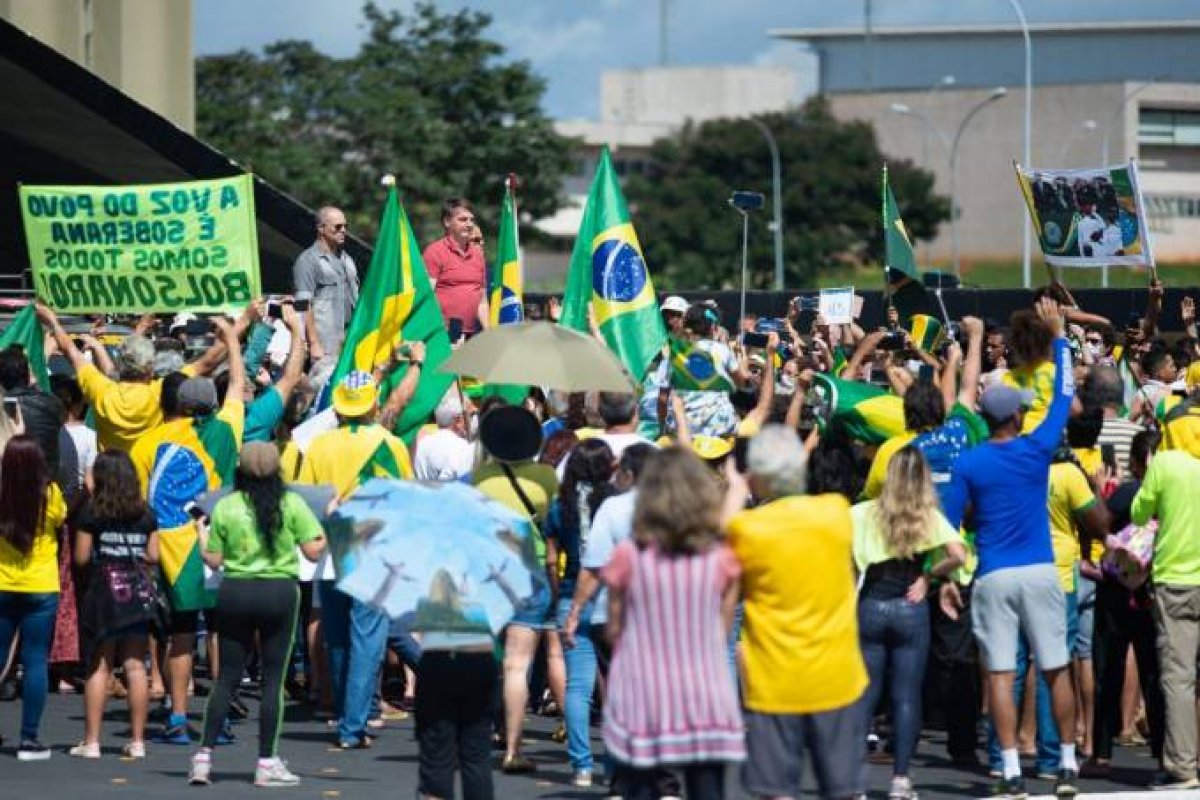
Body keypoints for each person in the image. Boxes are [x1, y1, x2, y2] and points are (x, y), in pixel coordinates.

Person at [942, 297, 1081, 798]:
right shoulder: (1040, 447)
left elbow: (949, 526)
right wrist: (1060, 336)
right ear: (1018, 417)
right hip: (1042, 571)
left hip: (994, 573)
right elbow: (1065, 393)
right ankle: (1066, 765)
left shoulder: (971, 463)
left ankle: (1009, 771)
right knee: (1055, 667)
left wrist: (944, 575)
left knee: (1000, 674)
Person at [724, 425, 867, 800]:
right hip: (836, 677)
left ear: (755, 478)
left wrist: (735, 492)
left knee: (776, 792)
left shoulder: (747, 529)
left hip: (773, 682)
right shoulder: (836, 514)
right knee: (844, 791)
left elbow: (708, 555)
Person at [602, 447, 744, 798]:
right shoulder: (722, 560)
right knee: (707, 789)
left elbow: (614, 628)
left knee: (641, 787)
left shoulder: (629, 557)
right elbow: (721, 630)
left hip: (643, 695)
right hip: (705, 693)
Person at [188, 442, 326, 787]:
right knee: (273, 680)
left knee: (227, 678)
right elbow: (312, 551)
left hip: (235, 592)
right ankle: (267, 761)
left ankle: (203, 756)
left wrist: (200, 534)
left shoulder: (227, 506)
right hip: (279, 592)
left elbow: (214, 560)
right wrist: (330, 530)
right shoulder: (292, 503)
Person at [298, 370, 413, 750]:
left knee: (339, 636)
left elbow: (307, 501)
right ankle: (352, 724)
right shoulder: (390, 444)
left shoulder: (319, 446)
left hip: (330, 548)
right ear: (374, 402)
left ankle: (348, 716)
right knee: (366, 637)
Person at [851, 447, 967, 800]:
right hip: (909, 600)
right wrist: (930, 577)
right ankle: (900, 779)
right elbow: (958, 554)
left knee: (865, 694)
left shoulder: (860, 513)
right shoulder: (927, 516)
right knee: (906, 694)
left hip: (872, 600)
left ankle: (854, 780)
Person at [471, 404, 561, 773]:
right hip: (531, 567)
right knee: (518, 664)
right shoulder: (545, 477)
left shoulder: (480, 478)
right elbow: (554, 524)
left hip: (491, 571)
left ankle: (486, 728)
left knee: (492, 657)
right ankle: (513, 747)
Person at [36, 302, 228, 452]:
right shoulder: (159, 392)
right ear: (150, 370)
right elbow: (207, 363)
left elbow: (70, 350)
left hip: (108, 483)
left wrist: (52, 321)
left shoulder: (103, 391)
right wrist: (238, 326)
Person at [1085, 430, 1165, 779]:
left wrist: (1098, 489)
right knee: (1154, 674)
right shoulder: (1171, 494)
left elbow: (1100, 523)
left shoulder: (1129, 492)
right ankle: (1165, 751)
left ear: (1134, 462)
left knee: (1109, 672)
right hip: (1151, 591)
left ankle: (1101, 752)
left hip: (1116, 592)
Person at [70, 450, 160, 760]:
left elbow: (80, 558)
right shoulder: (145, 513)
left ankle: (92, 741)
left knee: (100, 665)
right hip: (135, 593)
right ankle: (137, 741)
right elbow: (155, 556)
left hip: (104, 592)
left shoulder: (92, 513)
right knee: (135, 666)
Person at [543, 439, 617, 787]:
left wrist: (559, 595)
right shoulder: (615, 504)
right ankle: (616, 765)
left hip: (572, 595)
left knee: (578, 686)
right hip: (612, 601)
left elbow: (550, 559)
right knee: (617, 686)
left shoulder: (560, 506)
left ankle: (581, 765)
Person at [1129, 436, 1200, 790]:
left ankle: (1183, 765)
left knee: (1178, 677)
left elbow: (1139, 512)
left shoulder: (1167, 464)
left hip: (1175, 580)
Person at [0, 436, 68, 760]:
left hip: (2, 583)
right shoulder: (50, 494)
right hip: (41, 585)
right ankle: (29, 739)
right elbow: (60, 521)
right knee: (35, 660)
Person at [292, 206, 360, 370]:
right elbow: (301, 305)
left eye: (345, 227)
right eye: (337, 227)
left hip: (351, 341)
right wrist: (314, 343)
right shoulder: (307, 261)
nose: (343, 231)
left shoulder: (347, 259)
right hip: (325, 345)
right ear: (321, 228)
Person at [422, 197, 488, 336]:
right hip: (441, 333)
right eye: (463, 219)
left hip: (471, 334)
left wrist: (490, 332)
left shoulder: (478, 255)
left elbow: (482, 301)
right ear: (447, 222)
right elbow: (426, 296)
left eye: (471, 219)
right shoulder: (434, 252)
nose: (469, 224)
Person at [412, 390, 475, 481]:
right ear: (458, 420)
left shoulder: (421, 444)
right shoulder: (461, 448)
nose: (472, 420)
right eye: (470, 416)